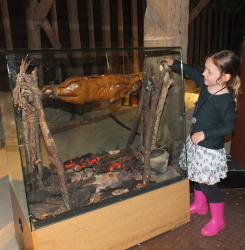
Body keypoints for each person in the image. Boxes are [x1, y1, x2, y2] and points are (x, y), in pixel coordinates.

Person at [164, 50, 241, 236]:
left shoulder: (226, 102)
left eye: (210, 71)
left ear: (224, 77)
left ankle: (219, 220)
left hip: (209, 150)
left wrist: (206, 134)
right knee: (195, 175)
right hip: (196, 146)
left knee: (208, 185)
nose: (204, 73)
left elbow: (229, 127)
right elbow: (193, 72)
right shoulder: (206, 85)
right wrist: (174, 63)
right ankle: (200, 205)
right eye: (206, 69)